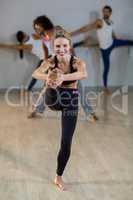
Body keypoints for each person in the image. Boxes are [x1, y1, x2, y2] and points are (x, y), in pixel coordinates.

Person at [32, 29, 87, 190]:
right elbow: (35, 73)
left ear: (69, 46)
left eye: (64, 45)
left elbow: (83, 74)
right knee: (52, 75)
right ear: (53, 46)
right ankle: (50, 86)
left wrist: (63, 77)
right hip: (54, 99)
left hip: (70, 101)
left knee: (66, 142)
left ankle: (58, 176)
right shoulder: (50, 61)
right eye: (57, 46)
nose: (61, 49)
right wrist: (50, 77)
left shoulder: (77, 62)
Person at [28, 19, 98, 122]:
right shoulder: (43, 38)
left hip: (67, 63)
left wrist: (73, 66)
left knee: (79, 88)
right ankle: (37, 109)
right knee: (46, 88)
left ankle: (90, 113)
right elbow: (46, 55)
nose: (37, 29)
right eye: (35, 28)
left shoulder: (57, 30)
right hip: (55, 65)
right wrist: (48, 70)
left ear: (44, 25)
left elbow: (69, 46)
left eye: (38, 27)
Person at [71, 5, 133, 94]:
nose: (105, 13)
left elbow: (111, 31)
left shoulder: (111, 22)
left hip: (113, 43)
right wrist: (72, 34)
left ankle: (84, 43)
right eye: (104, 11)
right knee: (106, 67)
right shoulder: (99, 22)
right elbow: (85, 28)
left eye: (107, 11)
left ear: (110, 13)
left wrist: (115, 38)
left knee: (127, 42)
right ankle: (105, 88)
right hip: (105, 49)